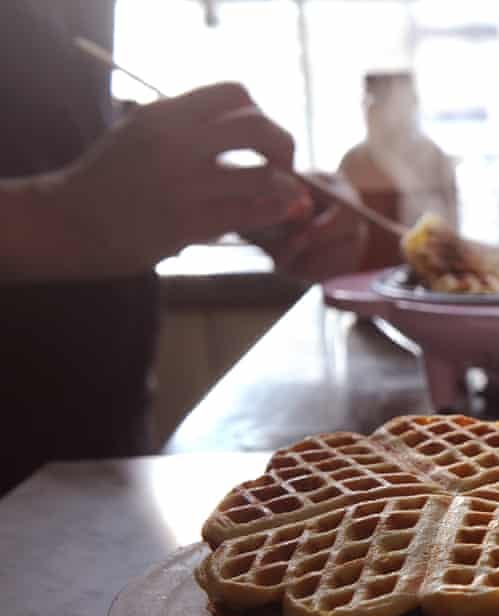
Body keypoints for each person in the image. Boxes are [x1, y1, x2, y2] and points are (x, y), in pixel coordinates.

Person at [0, 1, 366, 495]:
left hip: (103, 449)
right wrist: (55, 216)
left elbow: (55, 129)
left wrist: (243, 198)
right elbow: (62, 200)